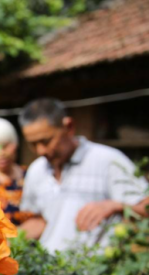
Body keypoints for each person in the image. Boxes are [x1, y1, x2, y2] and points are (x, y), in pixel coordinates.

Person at [18, 98, 149, 254]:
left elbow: (145, 207)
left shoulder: (108, 160)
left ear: (69, 127)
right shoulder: (36, 170)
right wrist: (4, 239)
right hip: (50, 271)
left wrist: (116, 206)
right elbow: (41, 221)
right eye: (32, 144)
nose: (40, 150)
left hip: (96, 273)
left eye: (46, 141)